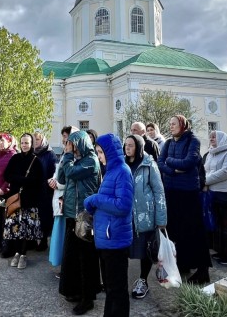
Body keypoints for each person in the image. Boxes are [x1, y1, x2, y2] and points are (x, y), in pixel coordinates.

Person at [157, 115, 212, 284]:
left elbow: (189, 162)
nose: (171, 126)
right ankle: (183, 264)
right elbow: (160, 161)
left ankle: (203, 271)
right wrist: (173, 170)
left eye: (174, 124)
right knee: (176, 230)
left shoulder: (192, 141)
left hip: (188, 192)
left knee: (194, 231)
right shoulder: (168, 143)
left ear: (182, 125)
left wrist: (170, 162)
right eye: (170, 124)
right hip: (171, 191)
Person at [84, 134, 133, 316]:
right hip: (107, 238)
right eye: (97, 152)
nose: (99, 156)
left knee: (117, 290)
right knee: (111, 289)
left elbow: (123, 206)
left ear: (110, 152)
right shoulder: (111, 171)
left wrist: (96, 199)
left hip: (116, 241)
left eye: (101, 152)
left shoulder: (122, 171)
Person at [58, 130, 101, 316]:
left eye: (73, 145)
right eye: (69, 146)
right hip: (70, 213)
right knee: (72, 256)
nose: (71, 149)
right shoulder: (72, 160)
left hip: (84, 216)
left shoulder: (91, 160)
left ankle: (88, 297)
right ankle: (74, 290)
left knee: (86, 259)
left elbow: (71, 173)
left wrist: (67, 156)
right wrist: (65, 157)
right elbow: (61, 178)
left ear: (81, 144)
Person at [124, 134, 166, 299]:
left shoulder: (149, 164)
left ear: (139, 147)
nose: (127, 148)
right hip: (126, 216)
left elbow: (159, 192)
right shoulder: (122, 164)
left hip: (144, 216)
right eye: (126, 145)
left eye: (131, 145)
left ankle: (143, 281)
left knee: (145, 250)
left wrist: (161, 220)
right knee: (124, 249)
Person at [3, 133, 44, 269]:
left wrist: (20, 179)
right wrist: (23, 180)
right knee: (15, 228)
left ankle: (23, 254)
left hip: (30, 200)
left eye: (27, 143)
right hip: (15, 198)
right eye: (22, 143)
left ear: (31, 144)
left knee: (26, 229)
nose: (24, 145)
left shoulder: (36, 160)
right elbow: (7, 175)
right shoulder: (15, 158)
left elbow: (39, 181)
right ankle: (16, 252)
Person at [203, 130, 227, 265]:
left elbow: (226, 172)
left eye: (214, 136)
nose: (212, 138)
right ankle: (221, 251)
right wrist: (204, 180)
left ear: (222, 138)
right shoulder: (211, 154)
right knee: (218, 225)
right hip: (213, 193)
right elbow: (205, 169)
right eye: (210, 137)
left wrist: (204, 181)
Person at [48, 126, 78, 268]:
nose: (64, 141)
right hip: (60, 198)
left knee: (66, 234)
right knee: (60, 232)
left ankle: (66, 265)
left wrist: (58, 184)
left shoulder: (76, 156)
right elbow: (58, 172)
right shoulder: (65, 155)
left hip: (67, 199)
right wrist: (53, 180)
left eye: (66, 137)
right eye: (63, 137)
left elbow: (70, 179)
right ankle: (61, 263)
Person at [33, 131, 58, 251]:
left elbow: (53, 173)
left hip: (45, 191)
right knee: (33, 216)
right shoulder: (32, 153)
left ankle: (43, 241)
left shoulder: (50, 154)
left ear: (42, 140)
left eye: (37, 140)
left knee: (44, 218)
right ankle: (33, 241)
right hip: (34, 190)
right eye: (34, 140)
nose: (35, 142)